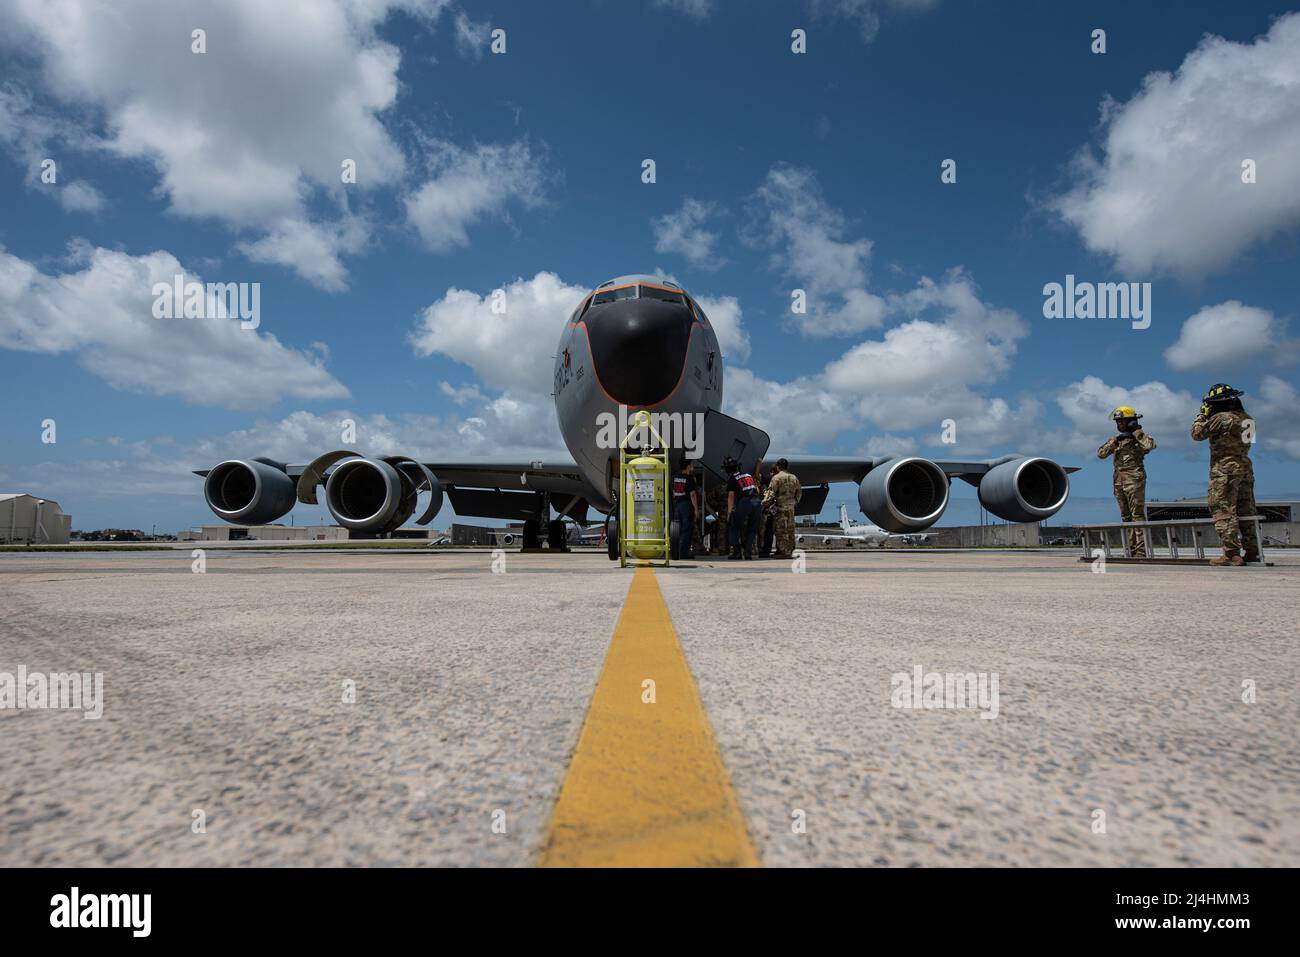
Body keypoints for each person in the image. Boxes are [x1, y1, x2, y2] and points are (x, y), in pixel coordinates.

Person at [1191, 383, 1259, 566]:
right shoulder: (1249, 420)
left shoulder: (1221, 419)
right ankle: (1253, 551)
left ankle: (1231, 553)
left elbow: (1197, 434)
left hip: (1225, 468)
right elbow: (1249, 441)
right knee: (1246, 510)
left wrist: (1202, 415)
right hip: (1245, 466)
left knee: (1222, 509)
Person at [1096, 405, 1156, 557]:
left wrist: (1136, 431)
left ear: (1130, 421)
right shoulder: (1116, 440)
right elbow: (1101, 454)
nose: (1119, 425)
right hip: (1119, 481)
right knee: (1126, 517)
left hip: (1134, 480)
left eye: (1122, 422)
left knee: (1137, 515)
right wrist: (1115, 441)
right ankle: (1130, 549)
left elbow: (1150, 445)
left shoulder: (1140, 438)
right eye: (1117, 422)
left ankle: (1141, 551)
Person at [723, 455, 762, 560]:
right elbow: (757, 490)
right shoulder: (748, 475)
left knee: (734, 525)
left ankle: (737, 552)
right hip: (757, 502)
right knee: (752, 529)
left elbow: (731, 497)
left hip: (745, 502)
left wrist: (730, 513)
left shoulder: (732, 478)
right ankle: (748, 553)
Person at [764, 459, 802, 558]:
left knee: (780, 530)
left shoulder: (776, 478)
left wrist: (765, 504)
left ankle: (783, 551)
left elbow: (771, 493)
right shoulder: (794, 478)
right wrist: (795, 502)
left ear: (778, 466)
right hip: (791, 508)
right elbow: (799, 492)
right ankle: (790, 550)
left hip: (780, 508)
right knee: (790, 529)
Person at [670, 456, 699, 560]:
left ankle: (675, 551)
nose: (692, 467)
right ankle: (683, 553)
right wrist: (696, 509)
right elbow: (692, 495)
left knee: (677, 530)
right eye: (691, 465)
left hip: (677, 505)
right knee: (687, 530)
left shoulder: (674, 477)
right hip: (686, 505)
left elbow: (673, 493)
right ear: (688, 466)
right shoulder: (689, 478)